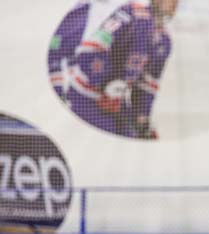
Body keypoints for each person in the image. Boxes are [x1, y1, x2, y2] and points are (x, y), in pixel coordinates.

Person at [67, 0, 177, 139]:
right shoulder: (131, 13)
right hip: (87, 97)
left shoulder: (164, 41)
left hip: (117, 101)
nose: (174, 5)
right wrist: (104, 83)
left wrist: (142, 119)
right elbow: (91, 48)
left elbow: (147, 85)